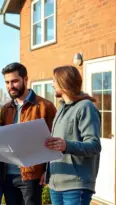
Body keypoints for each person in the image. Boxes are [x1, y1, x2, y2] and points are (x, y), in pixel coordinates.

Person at [0, 62, 57, 205]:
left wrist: (47, 170)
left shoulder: (45, 107)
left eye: (14, 81)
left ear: (25, 80)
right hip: (8, 175)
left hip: (32, 175)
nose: (10, 86)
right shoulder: (6, 109)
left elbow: (54, 141)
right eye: (7, 82)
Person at [44, 65, 101, 205]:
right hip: (55, 184)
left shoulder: (86, 107)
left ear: (64, 82)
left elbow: (94, 145)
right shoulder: (61, 108)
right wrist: (48, 174)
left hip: (76, 185)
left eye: (54, 81)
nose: (52, 84)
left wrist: (66, 145)